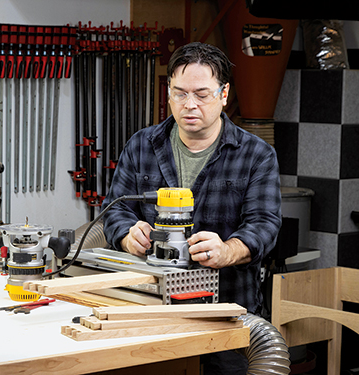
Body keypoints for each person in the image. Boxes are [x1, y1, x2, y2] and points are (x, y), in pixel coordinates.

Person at [101, 42, 282, 374]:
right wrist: (128, 236)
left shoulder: (256, 154)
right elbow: (114, 210)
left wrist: (227, 250)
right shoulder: (142, 145)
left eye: (202, 94)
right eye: (180, 93)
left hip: (226, 311)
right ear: (168, 93)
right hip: (149, 307)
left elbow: (264, 224)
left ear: (224, 94)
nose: (190, 105)